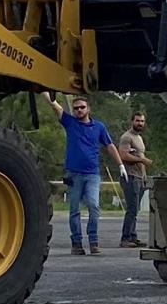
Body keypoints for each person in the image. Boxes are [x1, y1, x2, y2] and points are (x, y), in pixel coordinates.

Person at [47, 94, 122, 256]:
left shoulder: (99, 127)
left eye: (82, 107)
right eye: (76, 108)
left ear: (88, 109)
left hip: (92, 174)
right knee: (74, 209)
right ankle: (76, 243)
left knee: (94, 206)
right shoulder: (70, 123)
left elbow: (109, 146)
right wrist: (43, 91)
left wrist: (120, 164)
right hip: (74, 174)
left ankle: (93, 241)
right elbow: (55, 106)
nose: (79, 110)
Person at [117, 111, 152, 247]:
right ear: (132, 121)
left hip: (139, 177)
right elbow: (123, 155)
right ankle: (125, 238)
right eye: (137, 121)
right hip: (130, 176)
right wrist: (142, 159)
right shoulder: (127, 137)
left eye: (142, 121)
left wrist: (144, 175)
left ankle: (133, 236)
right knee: (131, 209)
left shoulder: (139, 138)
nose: (140, 123)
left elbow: (139, 157)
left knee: (135, 209)